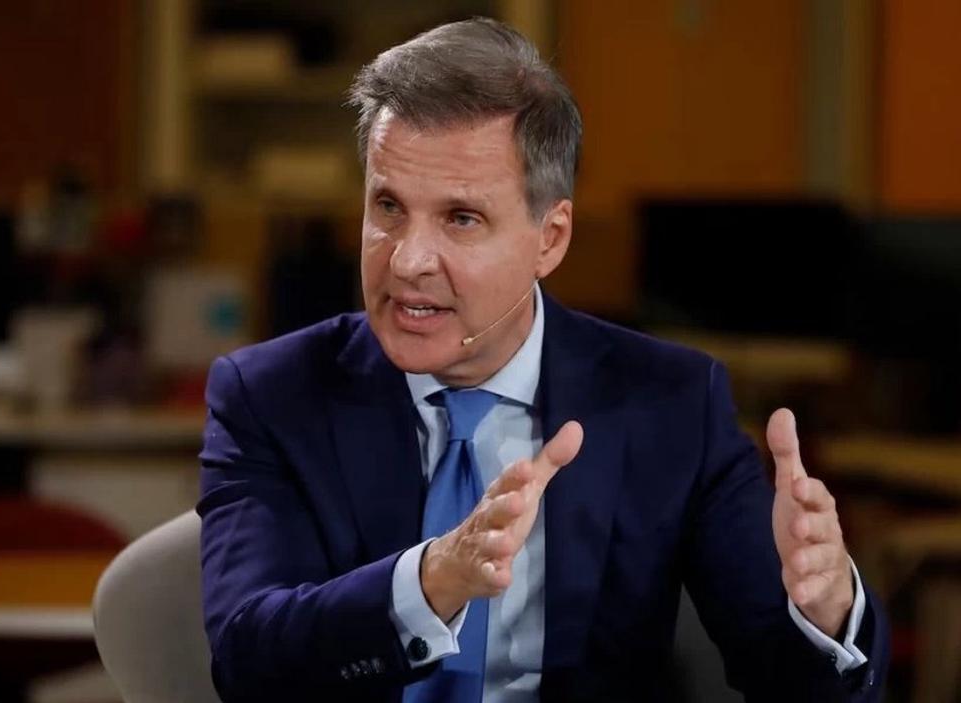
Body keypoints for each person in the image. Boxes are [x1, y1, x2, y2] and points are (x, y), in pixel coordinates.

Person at [198, 17, 888, 702]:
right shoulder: (270, 395)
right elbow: (248, 661)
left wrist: (828, 609)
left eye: (460, 218)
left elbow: (791, 681)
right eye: (388, 207)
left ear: (549, 239)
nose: (407, 261)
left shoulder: (670, 403)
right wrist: (434, 579)